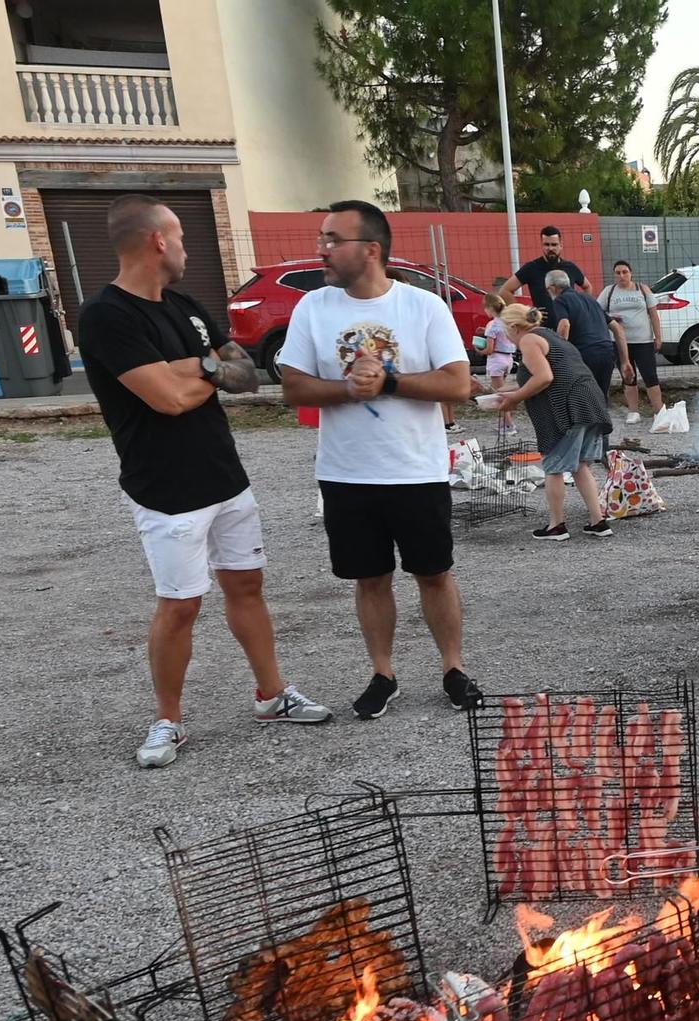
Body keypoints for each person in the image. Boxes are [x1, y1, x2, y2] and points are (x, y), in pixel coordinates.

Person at [79, 194, 331, 768]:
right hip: (164, 488)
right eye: (182, 238)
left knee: (247, 587)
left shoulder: (187, 305)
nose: (188, 249)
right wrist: (207, 371)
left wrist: (200, 368)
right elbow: (165, 402)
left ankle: (271, 695)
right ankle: (167, 720)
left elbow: (246, 373)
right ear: (157, 241)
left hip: (226, 477)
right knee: (180, 605)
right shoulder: (107, 317)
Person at [278, 200, 482, 719]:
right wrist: (350, 389)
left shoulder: (422, 306)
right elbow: (293, 386)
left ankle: (453, 669)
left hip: (416, 468)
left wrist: (388, 381)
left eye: (331, 240)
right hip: (346, 472)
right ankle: (383, 673)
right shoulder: (313, 308)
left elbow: (458, 382)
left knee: (434, 573)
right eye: (322, 238)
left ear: (371, 250)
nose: (320, 250)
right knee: (370, 578)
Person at [492, 304, 614, 542]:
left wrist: (514, 399)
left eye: (505, 330)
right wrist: (494, 392)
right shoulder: (549, 336)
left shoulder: (528, 340)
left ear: (515, 327)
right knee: (580, 466)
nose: (505, 336)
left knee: (554, 467)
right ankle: (598, 522)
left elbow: (544, 378)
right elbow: (541, 376)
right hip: (588, 402)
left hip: (568, 408)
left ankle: (556, 526)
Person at [547, 268, 628, 397]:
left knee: (583, 399)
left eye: (547, 289)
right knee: (601, 399)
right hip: (606, 353)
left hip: (584, 354)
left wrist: (560, 356)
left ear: (552, 287)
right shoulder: (590, 300)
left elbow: (564, 325)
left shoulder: (560, 300)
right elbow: (617, 328)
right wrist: (625, 361)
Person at [600, 260, 664, 424]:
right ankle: (633, 411)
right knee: (628, 376)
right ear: (614, 275)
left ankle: (658, 411)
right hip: (620, 342)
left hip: (643, 341)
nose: (622, 275)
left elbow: (654, 315)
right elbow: (597, 311)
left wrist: (658, 337)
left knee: (650, 375)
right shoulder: (609, 291)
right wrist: (611, 319)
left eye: (625, 272)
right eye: (618, 272)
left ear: (631, 273)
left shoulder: (642, 289)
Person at [500, 224, 588, 310]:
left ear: (561, 245)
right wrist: (524, 313)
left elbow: (587, 287)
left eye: (554, 245)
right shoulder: (531, 268)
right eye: (547, 244)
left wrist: (581, 308)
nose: (550, 248)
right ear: (542, 245)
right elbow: (505, 291)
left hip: (569, 323)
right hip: (542, 324)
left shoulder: (570, 267)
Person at [474, 288, 518, 437]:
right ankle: (505, 423)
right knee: (504, 391)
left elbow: (489, 349)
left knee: (498, 395)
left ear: (490, 308)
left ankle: (510, 425)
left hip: (496, 360)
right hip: (508, 359)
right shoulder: (506, 322)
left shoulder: (492, 325)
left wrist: (479, 349)